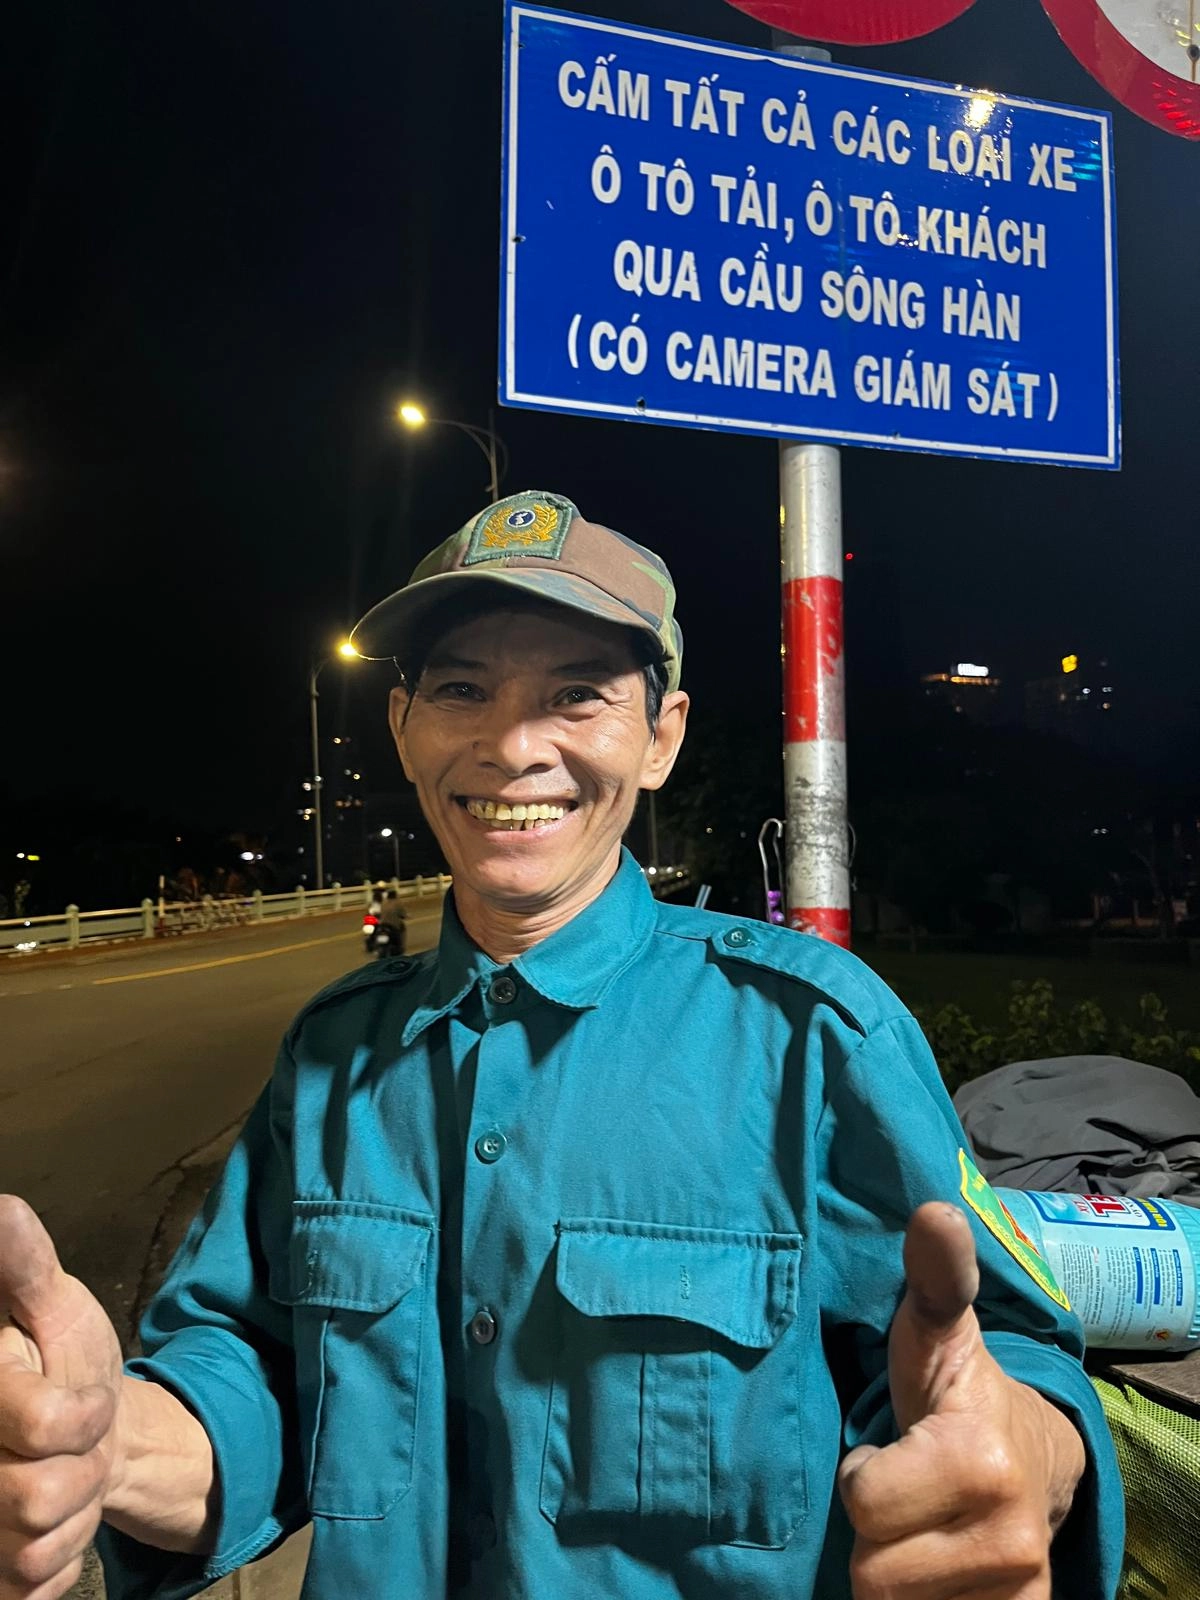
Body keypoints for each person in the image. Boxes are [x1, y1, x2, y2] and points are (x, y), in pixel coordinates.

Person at [0, 490, 1123, 1600]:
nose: (512, 745)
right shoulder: (333, 1059)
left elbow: (1005, 1366)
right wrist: (111, 1447)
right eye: (460, 689)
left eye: (577, 694)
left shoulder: (812, 1036)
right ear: (404, 729)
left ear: (659, 739)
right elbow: (256, 1368)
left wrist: (1028, 1455)